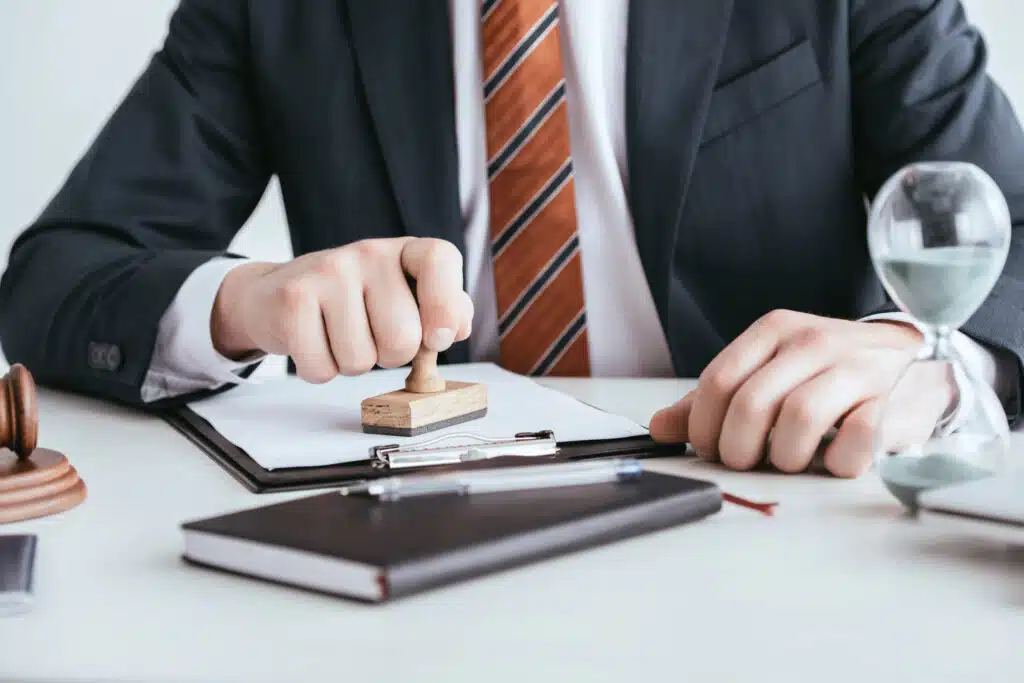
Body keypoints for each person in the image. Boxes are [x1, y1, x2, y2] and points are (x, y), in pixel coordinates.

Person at [2, 0, 1023, 479]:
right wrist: (239, 302)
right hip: (407, 544)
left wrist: (921, 356)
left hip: (769, 501)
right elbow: (57, 273)